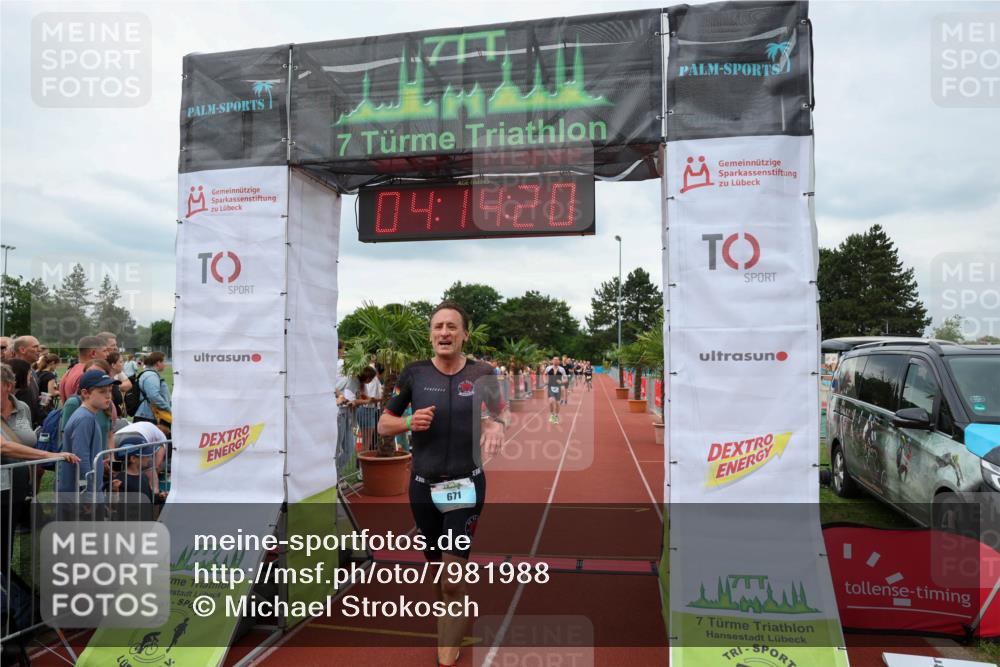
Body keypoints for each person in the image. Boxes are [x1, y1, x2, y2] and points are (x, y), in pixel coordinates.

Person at [377, 301, 507, 667]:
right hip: (421, 486)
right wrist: (407, 423)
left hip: (465, 486)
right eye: (438, 327)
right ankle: (455, 608)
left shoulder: (484, 372)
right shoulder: (414, 374)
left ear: (465, 333)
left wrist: (496, 425)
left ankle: (447, 649)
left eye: (452, 327)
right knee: (439, 572)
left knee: (451, 576)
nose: (444, 333)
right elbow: (383, 424)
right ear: (431, 333)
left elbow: (501, 413)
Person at [57, 369, 119, 494]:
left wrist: (99, 464)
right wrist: (87, 492)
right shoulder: (84, 418)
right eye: (102, 391)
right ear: (85, 393)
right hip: (81, 493)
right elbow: (81, 458)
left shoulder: (88, 415)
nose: (108, 396)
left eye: (110, 391)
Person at [60, 335, 108, 403]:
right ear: (93, 353)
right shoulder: (88, 374)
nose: (107, 354)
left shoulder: (69, 371)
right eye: (105, 351)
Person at [134, 352, 171, 435]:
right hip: (149, 416)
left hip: (147, 415)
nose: (165, 364)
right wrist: (168, 408)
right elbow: (154, 396)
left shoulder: (149, 374)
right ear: (158, 363)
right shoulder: (151, 375)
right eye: (164, 362)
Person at [9, 358, 43, 429]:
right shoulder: (24, 395)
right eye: (29, 374)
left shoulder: (17, 395)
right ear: (21, 375)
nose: (30, 377)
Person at [106, 351, 133, 417]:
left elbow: (129, 384)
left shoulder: (115, 379)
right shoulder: (107, 382)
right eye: (120, 362)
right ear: (113, 365)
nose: (123, 364)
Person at [544, 356, 567, 423]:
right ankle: (552, 415)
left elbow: (566, 379)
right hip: (550, 387)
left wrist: (562, 382)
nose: (555, 361)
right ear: (552, 361)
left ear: (559, 361)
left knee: (557, 403)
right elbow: (544, 375)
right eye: (554, 360)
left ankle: (556, 416)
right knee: (551, 401)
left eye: (557, 360)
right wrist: (545, 381)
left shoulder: (562, 369)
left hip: (558, 387)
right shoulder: (548, 368)